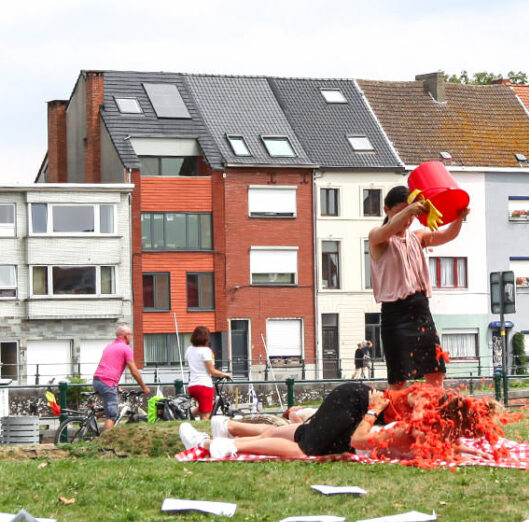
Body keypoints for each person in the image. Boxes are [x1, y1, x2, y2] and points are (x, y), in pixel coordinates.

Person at [180, 383, 501, 463]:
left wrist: (469, 452)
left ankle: (226, 430)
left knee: (302, 434)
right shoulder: (423, 411)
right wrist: (375, 411)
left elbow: (439, 440)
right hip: (357, 403)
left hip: (358, 405)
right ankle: (218, 444)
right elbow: (365, 439)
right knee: (307, 448)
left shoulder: (440, 426)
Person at [368, 185, 469, 389]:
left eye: (412, 214)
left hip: (421, 309)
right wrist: (411, 209)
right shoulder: (377, 237)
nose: (407, 220)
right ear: (386, 210)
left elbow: (449, 234)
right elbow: (388, 229)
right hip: (394, 314)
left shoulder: (418, 236)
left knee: (435, 372)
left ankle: (434, 415)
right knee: (397, 380)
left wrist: (460, 217)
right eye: (400, 213)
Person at [92, 325, 150, 431]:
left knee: (111, 405)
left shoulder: (109, 347)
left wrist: (115, 386)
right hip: (107, 382)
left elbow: (107, 366)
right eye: (130, 335)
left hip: (97, 380)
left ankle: (92, 419)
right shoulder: (126, 349)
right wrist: (144, 387)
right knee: (112, 415)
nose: (131, 337)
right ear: (126, 336)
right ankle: (103, 444)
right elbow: (134, 371)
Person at [186, 325, 231, 420]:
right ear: (206, 338)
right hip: (204, 385)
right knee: (206, 415)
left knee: (204, 407)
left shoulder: (189, 350)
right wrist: (225, 374)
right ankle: (203, 432)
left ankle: (187, 417)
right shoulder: (206, 351)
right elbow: (212, 371)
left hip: (192, 385)